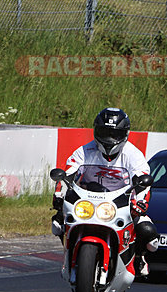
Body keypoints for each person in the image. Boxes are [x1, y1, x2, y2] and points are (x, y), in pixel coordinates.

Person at [51, 108, 159, 276]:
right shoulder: (84, 151)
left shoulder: (133, 154)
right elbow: (68, 174)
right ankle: (71, 253)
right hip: (87, 201)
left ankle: (138, 256)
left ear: (125, 134)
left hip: (121, 203)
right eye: (105, 132)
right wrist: (59, 195)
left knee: (149, 234)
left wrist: (140, 202)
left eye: (115, 134)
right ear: (96, 131)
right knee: (57, 225)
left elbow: (144, 180)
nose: (109, 139)